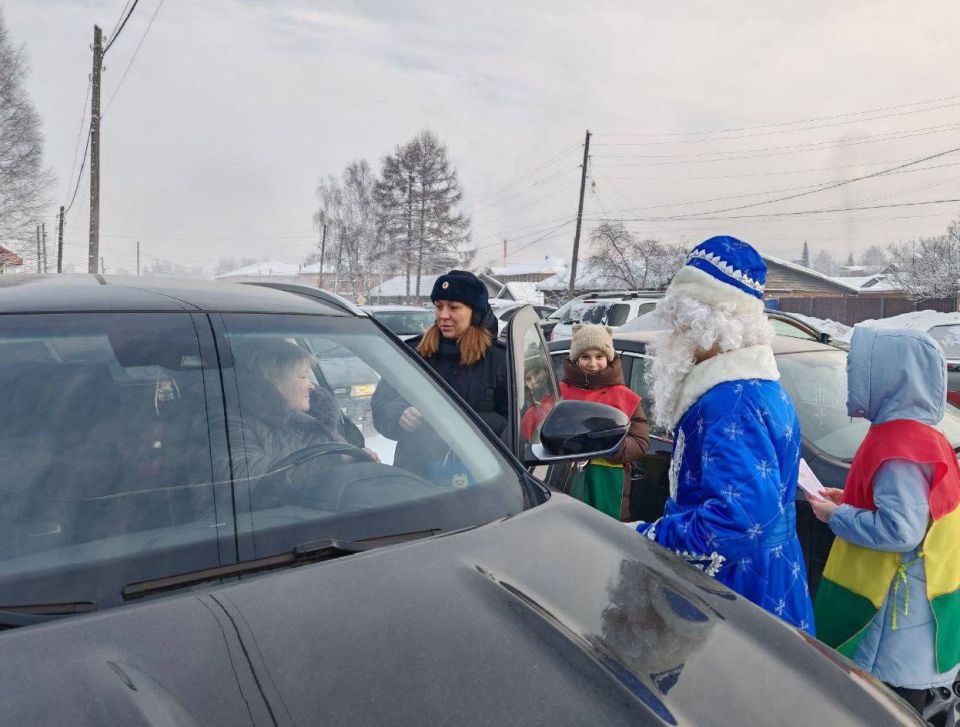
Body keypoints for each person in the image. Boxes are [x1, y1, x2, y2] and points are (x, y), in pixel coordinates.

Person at [630, 235, 815, 633]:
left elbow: (739, 520)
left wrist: (650, 535)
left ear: (708, 324)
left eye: (681, 319)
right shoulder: (757, 386)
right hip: (768, 575)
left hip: (737, 589)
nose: (673, 331)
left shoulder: (729, 402)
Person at [808, 327, 960, 714]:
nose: (853, 379)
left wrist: (835, 515)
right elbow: (912, 510)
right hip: (916, 610)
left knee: (887, 710)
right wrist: (849, 499)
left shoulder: (897, 446)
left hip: (892, 617)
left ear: (888, 376)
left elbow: (901, 530)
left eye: (859, 369)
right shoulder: (923, 435)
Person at [372, 270, 508, 478]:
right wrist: (399, 414)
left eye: (454, 307)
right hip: (415, 477)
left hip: (480, 478)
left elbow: (514, 422)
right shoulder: (413, 353)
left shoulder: (499, 359)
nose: (443, 315)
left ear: (475, 312)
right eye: (438, 306)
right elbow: (382, 404)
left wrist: (461, 423)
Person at [227, 340, 373, 505]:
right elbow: (244, 479)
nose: (311, 386)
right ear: (275, 381)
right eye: (303, 376)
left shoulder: (320, 418)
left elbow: (346, 460)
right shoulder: (232, 423)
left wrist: (360, 460)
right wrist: (335, 460)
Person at [559, 323, 649, 520]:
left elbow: (641, 442)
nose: (593, 363)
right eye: (585, 356)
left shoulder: (625, 396)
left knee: (605, 532)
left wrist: (610, 446)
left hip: (609, 479)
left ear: (608, 358)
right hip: (565, 478)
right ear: (575, 358)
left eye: (599, 356)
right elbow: (539, 431)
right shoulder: (560, 392)